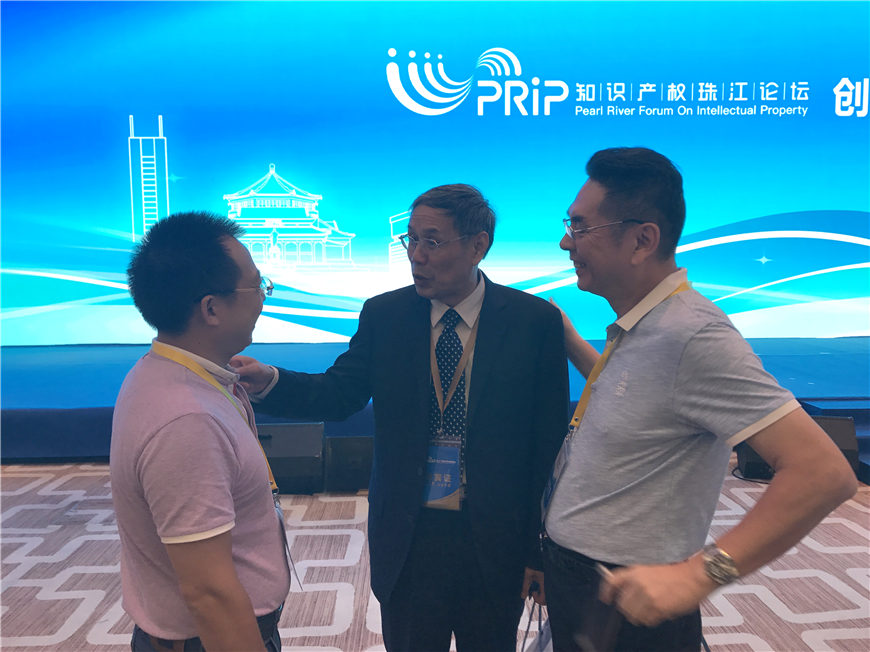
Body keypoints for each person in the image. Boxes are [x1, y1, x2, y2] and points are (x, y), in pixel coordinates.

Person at [542, 147, 858, 652]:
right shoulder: (645, 324)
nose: (566, 242)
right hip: (583, 580)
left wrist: (701, 574)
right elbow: (640, 399)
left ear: (642, 240)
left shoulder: (691, 334)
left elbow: (823, 472)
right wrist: (572, 341)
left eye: (581, 227)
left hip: (634, 601)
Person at [232, 184, 569, 651]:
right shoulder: (386, 315)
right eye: (410, 239)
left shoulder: (533, 322)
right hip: (409, 536)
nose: (416, 255)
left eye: (432, 241)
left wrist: (538, 548)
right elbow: (340, 393)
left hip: (495, 538)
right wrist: (270, 380)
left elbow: (547, 442)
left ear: (478, 245)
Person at [110, 211, 289, 652]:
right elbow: (209, 594)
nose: (262, 299)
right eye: (257, 286)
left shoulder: (165, 372)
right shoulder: (187, 420)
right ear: (211, 308)